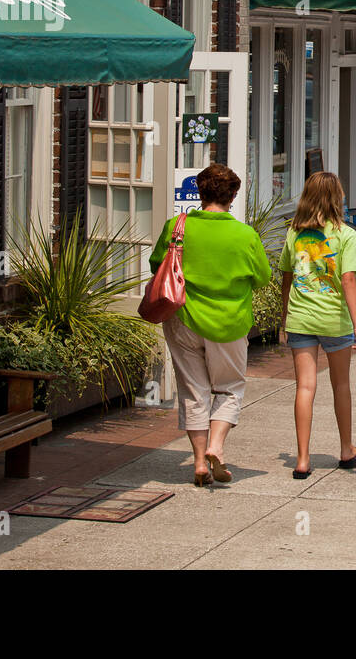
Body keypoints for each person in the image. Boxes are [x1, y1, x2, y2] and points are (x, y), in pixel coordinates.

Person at [150, 163, 272, 487]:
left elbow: (155, 265)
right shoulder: (245, 235)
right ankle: (217, 447)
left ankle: (199, 461)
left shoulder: (177, 226)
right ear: (232, 196)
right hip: (230, 323)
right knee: (230, 388)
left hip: (184, 320)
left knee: (194, 391)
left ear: (199, 193)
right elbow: (263, 277)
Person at [279, 171, 356, 479]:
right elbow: (348, 280)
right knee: (340, 384)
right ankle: (346, 449)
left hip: (300, 318)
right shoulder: (346, 235)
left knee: (305, 386)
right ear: (337, 198)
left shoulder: (294, 233)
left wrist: (283, 321)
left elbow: (287, 278)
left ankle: (302, 459)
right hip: (334, 320)